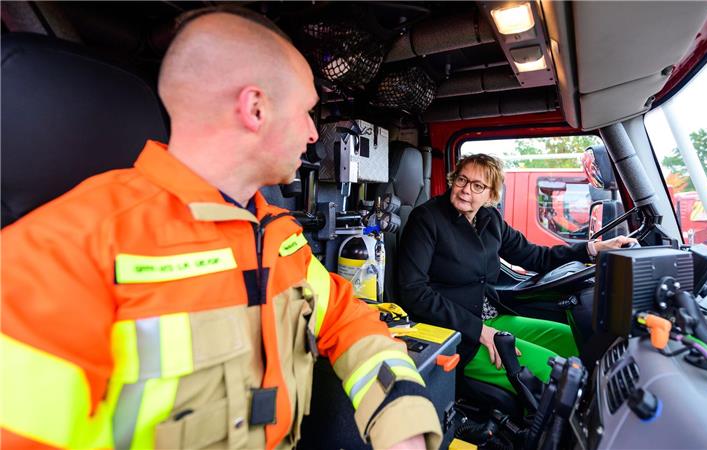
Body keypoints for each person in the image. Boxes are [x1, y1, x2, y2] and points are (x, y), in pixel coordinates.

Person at [0, 8, 440, 450]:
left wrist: (403, 421)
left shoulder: (278, 236)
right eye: (308, 111)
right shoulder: (59, 250)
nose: (312, 133)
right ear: (255, 108)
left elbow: (348, 320)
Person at [398, 154, 636, 393]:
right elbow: (413, 291)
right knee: (553, 370)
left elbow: (535, 257)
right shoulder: (426, 219)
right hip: (453, 330)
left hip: (489, 317)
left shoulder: (489, 219)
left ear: (491, 195)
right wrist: (479, 330)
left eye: (477, 185)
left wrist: (593, 249)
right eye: (461, 180)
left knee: (575, 339)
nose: (465, 190)